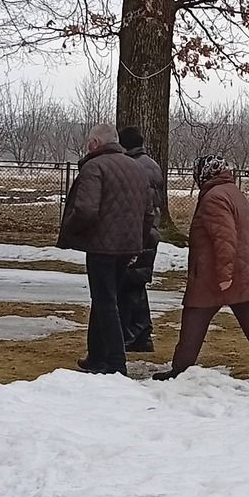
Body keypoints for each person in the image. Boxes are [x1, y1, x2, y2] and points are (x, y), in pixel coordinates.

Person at [159, 157, 249, 385]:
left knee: (194, 318)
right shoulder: (233, 192)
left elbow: (224, 238)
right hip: (242, 270)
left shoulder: (214, 198)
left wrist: (225, 275)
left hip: (215, 274)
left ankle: (181, 368)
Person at [57, 125, 158, 376]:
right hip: (127, 245)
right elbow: (149, 212)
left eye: (89, 141)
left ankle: (115, 362)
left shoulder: (94, 167)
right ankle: (97, 356)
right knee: (105, 299)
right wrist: (139, 242)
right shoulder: (136, 167)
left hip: (102, 246)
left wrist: (71, 229)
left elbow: (86, 210)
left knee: (105, 301)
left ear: (95, 142)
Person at [117, 125, 166, 354]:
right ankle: (141, 334)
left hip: (140, 232)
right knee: (135, 284)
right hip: (150, 231)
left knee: (129, 285)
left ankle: (133, 334)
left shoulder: (135, 167)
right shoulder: (151, 164)